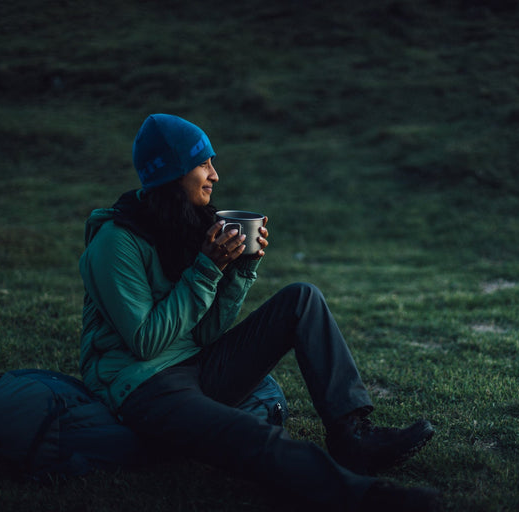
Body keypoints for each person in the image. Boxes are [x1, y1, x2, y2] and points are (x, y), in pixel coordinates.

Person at [78, 113, 441, 511]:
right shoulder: (115, 243)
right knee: (250, 435)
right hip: (145, 386)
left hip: (197, 364)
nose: (215, 175)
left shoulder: (180, 224)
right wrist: (207, 268)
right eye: (203, 164)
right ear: (173, 173)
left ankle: (352, 438)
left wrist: (240, 270)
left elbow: (203, 334)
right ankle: (367, 498)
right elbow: (146, 342)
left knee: (302, 299)